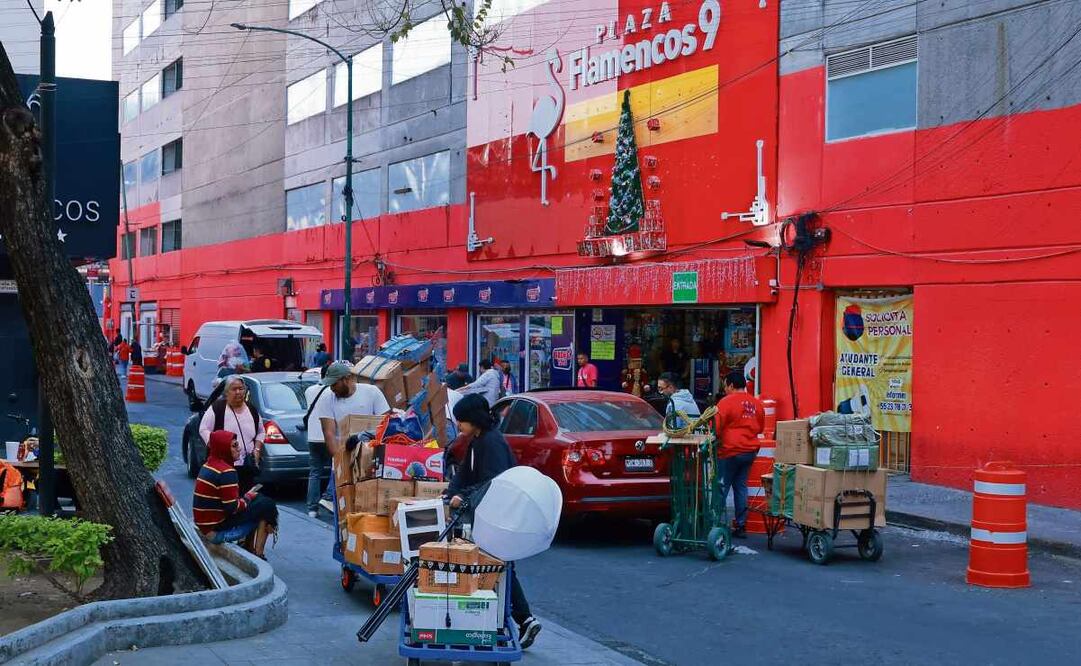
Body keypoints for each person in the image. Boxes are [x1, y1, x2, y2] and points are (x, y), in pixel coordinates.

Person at [446, 394, 542, 650]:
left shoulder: (492, 443)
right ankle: (523, 619)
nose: (459, 426)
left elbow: (492, 482)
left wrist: (462, 498)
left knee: (500, 566)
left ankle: (522, 619)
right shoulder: (477, 441)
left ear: (474, 420)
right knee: (500, 566)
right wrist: (449, 491)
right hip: (489, 514)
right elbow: (465, 474)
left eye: (462, 421)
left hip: (500, 515)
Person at [193, 430, 279, 559]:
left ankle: (251, 548)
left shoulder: (209, 465)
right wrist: (247, 498)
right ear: (223, 449)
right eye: (234, 446)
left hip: (207, 525)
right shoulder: (226, 471)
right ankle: (259, 554)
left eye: (237, 444)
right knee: (267, 506)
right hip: (216, 532)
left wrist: (247, 499)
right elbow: (232, 508)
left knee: (261, 500)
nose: (239, 449)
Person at [713, 370, 765, 538]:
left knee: (722, 487)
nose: (725, 389)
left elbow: (716, 427)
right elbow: (761, 428)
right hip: (749, 451)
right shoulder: (757, 404)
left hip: (730, 450)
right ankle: (741, 525)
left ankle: (716, 524)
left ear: (731, 385)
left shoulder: (726, 402)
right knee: (741, 487)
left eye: (725, 386)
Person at [309, 361, 392, 462]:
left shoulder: (372, 392)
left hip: (372, 456)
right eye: (330, 385)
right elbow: (329, 433)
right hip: (343, 456)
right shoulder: (326, 398)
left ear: (346, 379)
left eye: (334, 384)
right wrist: (340, 461)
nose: (331, 388)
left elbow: (386, 423)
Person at [199, 375, 265, 493]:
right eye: (234, 389)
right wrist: (217, 447)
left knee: (246, 499)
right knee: (229, 500)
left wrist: (257, 449)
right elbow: (203, 429)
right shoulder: (217, 408)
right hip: (224, 468)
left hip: (246, 466)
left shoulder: (251, 410)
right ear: (226, 392)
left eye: (241, 389)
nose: (238, 392)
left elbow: (261, 431)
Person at [303, 364, 335, 517]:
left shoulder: (309, 390)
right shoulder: (332, 392)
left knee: (314, 472)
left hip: (313, 437)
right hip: (329, 435)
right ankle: (328, 497)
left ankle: (312, 508)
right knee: (335, 470)